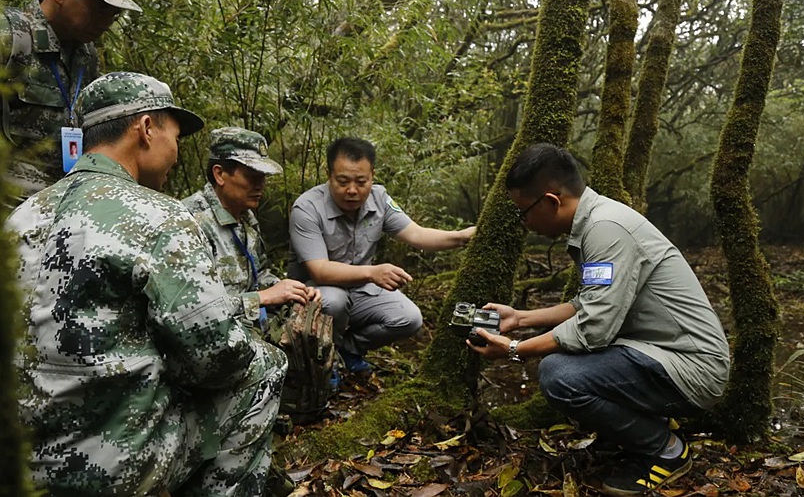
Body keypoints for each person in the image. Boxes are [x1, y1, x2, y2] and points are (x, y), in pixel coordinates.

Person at [6, 71, 286, 496]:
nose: (176, 154)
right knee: (263, 366)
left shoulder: (22, 215)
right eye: (175, 136)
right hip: (106, 468)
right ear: (146, 127)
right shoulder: (159, 215)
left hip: (20, 460)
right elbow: (217, 357)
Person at [468, 144, 730, 496]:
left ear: (551, 201)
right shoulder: (598, 221)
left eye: (524, 212)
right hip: (658, 353)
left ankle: (667, 450)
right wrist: (520, 318)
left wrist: (516, 349)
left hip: (692, 368)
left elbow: (594, 327)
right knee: (567, 362)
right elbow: (588, 304)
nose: (524, 223)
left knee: (558, 374)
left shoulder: (606, 229)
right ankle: (634, 434)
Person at [289, 137, 476, 373]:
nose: (352, 190)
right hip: (316, 291)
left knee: (409, 318)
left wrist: (462, 237)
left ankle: (349, 350)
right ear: (329, 175)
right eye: (343, 181)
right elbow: (320, 270)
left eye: (361, 181)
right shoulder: (307, 208)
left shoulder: (379, 199)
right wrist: (372, 272)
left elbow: (417, 235)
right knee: (334, 301)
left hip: (359, 290)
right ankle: (324, 362)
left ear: (372, 176)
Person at [1, 0, 141, 201]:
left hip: (63, 206)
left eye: (114, 13)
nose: (106, 22)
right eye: (99, 8)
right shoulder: (10, 37)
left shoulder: (85, 56)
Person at [183, 126, 321, 330]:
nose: (261, 185)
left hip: (248, 328)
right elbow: (193, 310)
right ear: (220, 174)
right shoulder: (190, 222)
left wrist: (293, 290)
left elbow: (257, 274)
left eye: (263, 176)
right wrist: (262, 297)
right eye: (252, 176)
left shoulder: (245, 217)